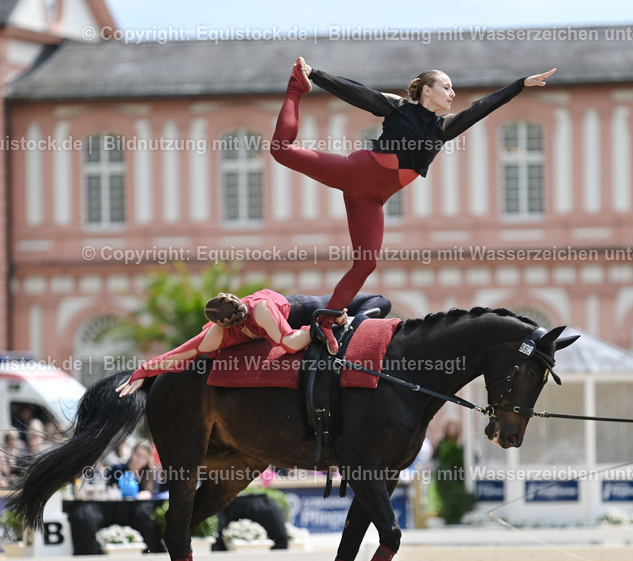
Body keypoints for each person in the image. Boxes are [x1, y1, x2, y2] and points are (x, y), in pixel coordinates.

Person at [270, 58, 555, 353]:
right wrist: (314, 75)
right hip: (355, 172)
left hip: (370, 200)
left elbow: (481, 107)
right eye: (446, 87)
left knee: (366, 263)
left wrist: (520, 84)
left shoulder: (443, 128)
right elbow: (358, 93)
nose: (452, 93)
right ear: (427, 90)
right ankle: (295, 85)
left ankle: (325, 324)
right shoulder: (399, 108)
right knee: (281, 150)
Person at [116, 289, 345, 396]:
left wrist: (320, 324)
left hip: (299, 308)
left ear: (220, 324)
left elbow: (290, 344)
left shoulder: (260, 310)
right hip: (284, 321)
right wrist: (143, 371)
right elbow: (181, 353)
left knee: (366, 303)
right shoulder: (217, 334)